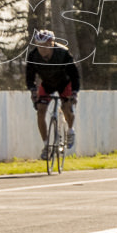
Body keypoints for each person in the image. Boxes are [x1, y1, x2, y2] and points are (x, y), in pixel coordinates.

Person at [25, 29, 80, 158]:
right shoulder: (33, 56)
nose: (42, 49)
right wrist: (33, 91)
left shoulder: (63, 53)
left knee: (66, 108)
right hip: (47, 84)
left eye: (45, 46)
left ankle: (70, 130)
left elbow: (75, 75)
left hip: (64, 83)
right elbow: (29, 76)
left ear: (52, 44)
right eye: (39, 46)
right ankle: (46, 146)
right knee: (40, 111)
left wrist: (74, 93)